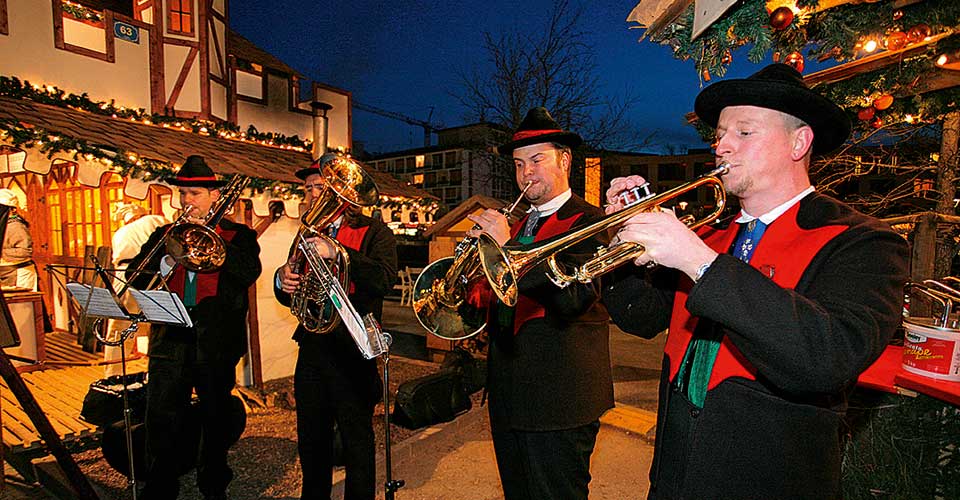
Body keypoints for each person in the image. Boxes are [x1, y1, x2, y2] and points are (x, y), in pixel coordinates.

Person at [602, 64, 909, 499]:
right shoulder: (709, 235)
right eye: (720, 135)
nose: (721, 146)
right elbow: (640, 318)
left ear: (798, 143)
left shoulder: (862, 241)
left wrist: (701, 263)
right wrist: (624, 242)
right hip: (674, 479)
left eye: (744, 133)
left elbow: (828, 359)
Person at [467, 107, 613, 500]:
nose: (525, 173)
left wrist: (506, 248)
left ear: (564, 160)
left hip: (560, 400)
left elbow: (571, 297)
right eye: (518, 164)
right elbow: (495, 302)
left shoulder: (589, 221)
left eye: (536, 160)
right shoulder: (515, 224)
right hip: (508, 395)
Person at [127, 155, 261, 500]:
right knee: (161, 414)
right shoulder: (164, 234)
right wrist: (168, 258)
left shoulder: (239, 235)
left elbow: (249, 273)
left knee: (214, 415)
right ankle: (160, 485)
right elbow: (134, 277)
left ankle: (214, 484)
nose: (187, 202)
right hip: (169, 337)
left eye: (196, 195)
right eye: (183, 195)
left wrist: (217, 246)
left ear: (214, 196)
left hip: (216, 340)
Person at [274, 154, 397, 500]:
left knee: (357, 440)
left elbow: (384, 279)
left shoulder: (376, 232)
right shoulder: (306, 233)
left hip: (353, 348)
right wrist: (283, 281)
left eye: (319, 187)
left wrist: (338, 251)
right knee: (311, 439)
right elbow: (292, 284)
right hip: (312, 346)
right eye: (309, 188)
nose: (313, 194)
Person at [103, 202, 168, 377]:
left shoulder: (119, 233)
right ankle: (159, 372)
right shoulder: (155, 220)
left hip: (123, 276)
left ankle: (112, 373)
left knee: (119, 328)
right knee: (161, 326)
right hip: (151, 273)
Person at [0, 188, 37, 290]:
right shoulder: (3, 225)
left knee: (22, 305)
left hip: (19, 273)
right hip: (5, 273)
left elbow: (25, 251)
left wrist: (2, 252)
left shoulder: (16, 226)